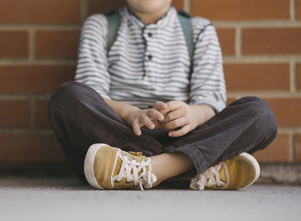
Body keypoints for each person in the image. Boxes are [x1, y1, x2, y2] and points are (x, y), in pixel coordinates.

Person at [48, 0, 277, 191]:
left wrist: (192, 115)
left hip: (185, 136)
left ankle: (137, 170)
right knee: (66, 99)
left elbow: (211, 101)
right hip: (119, 137)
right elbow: (92, 94)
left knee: (260, 114)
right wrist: (130, 113)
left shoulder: (198, 30)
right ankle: (191, 168)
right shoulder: (100, 26)